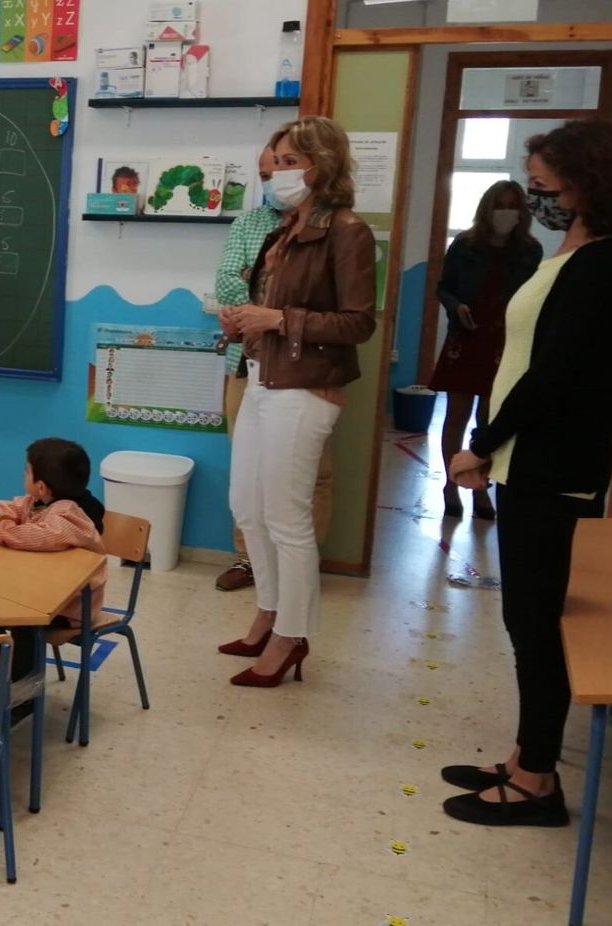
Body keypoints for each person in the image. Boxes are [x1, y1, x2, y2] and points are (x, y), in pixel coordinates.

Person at [442, 120, 612, 827]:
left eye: (544, 186)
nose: (535, 199)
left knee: (535, 622)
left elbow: (554, 376)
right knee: (523, 616)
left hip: (552, 463)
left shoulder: (607, 262)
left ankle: (538, 784)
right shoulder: (576, 248)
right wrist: (492, 444)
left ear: (588, 181)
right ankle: (525, 755)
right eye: (531, 186)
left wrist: (484, 442)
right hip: (529, 459)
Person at [218, 116, 378, 688]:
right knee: (247, 507)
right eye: (275, 162)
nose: (277, 172)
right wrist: (242, 323)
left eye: (289, 162)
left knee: (287, 518)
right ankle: (267, 612)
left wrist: (280, 319)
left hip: (305, 389)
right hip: (262, 377)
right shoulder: (281, 229)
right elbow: (268, 308)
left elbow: (359, 322)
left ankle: (292, 636)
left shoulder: (348, 232)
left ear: (322, 165)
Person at [214, 143, 333, 593]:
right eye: (266, 173)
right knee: (248, 473)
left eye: (283, 168)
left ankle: (301, 564)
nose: (274, 180)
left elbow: (330, 309)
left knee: (311, 472)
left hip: (305, 371)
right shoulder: (249, 223)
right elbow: (228, 281)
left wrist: (269, 308)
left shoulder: (332, 229)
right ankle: (250, 560)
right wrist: (255, 306)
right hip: (245, 361)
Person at [429, 180, 543, 520]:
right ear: (487, 208)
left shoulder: (529, 250)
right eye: (499, 205)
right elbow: (443, 287)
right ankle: (451, 485)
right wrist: (456, 306)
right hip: (466, 338)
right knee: (456, 416)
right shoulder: (465, 244)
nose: (506, 212)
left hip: (505, 342)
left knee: (489, 420)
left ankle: (482, 489)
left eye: (513, 205)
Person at [0, 437, 107, 628]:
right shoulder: (38, 500)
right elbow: (13, 508)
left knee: (17, 622)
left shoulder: (69, 514)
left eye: (26, 471)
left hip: (70, 607)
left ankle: (17, 658)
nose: (23, 473)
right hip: (43, 591)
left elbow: (40, 535)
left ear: (41, 486)